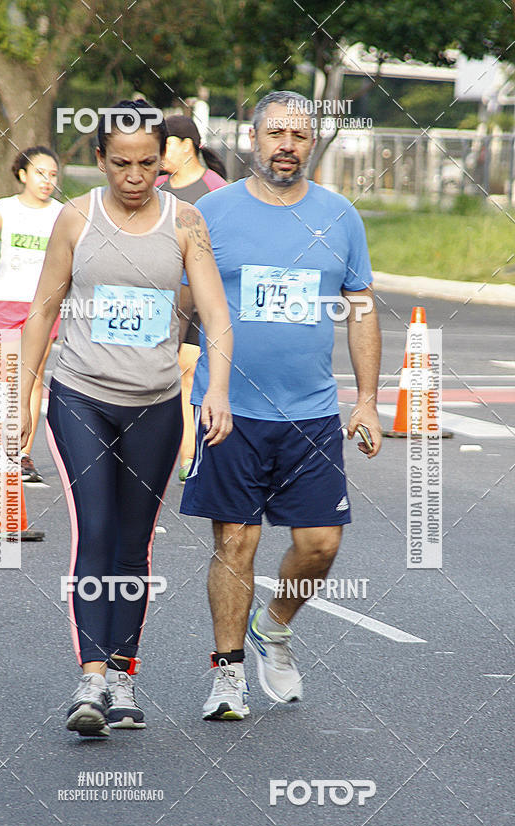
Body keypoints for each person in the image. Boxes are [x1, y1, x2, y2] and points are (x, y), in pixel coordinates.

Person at [19, 100, 232, 737]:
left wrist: (215, 389)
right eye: (120, 164)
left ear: (164, 158)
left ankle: (122, 676)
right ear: (99, 159)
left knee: (135, 543)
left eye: (146, 163)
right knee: (97, 529)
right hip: (80, 394)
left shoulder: (186, 221)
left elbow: (217, 315)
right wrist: (21, 401)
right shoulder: (76, 219)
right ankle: (90, 676)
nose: (134, 177)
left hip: (157, 403)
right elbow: (40, 312)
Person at [180, 90, 382, 721]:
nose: (286, 145)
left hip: (311, 412)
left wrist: (369, 401)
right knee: (235, 542)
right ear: (253, 139)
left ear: (312, 142)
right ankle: (228, 675)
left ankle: (275, 625)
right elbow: (181, 307)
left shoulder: (340, 215)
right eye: (275, 133)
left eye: (299, 135)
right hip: (229, 409)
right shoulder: (209, 212)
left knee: (321, 543)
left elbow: (362, 309)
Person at [0, 146, 62, 483]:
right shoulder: (5, 208)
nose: (47, 181)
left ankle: (22, 454)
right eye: (40, 173)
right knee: (5, 376)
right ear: (23, 174)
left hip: (44, 305)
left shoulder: (61, 213)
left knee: (34, 375)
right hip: (7, 300)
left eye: (53, 175)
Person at [156, 115, 227, 481]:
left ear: (186, 145)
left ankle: (189, 457)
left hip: (202, 299)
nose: (157, 152)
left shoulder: (217, 189)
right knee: (163, 377)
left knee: (187, 371)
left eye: (164, 144)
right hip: (162, 298)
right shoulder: (157, 188)